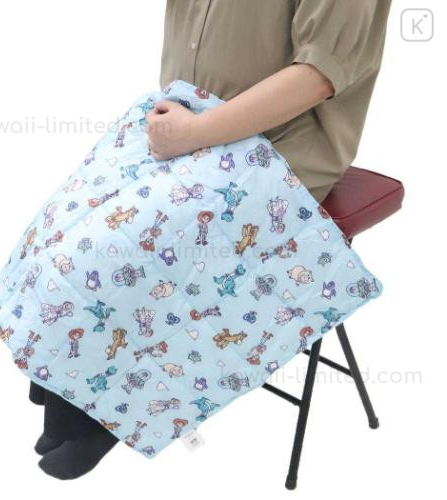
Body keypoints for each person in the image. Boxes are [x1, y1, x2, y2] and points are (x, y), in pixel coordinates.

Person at [33, 0, 392, 479]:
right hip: (187, 120)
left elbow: (317, 75)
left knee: (119, 249)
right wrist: (184, 127)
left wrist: (197, 132)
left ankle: (106, 413)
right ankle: (62, 380)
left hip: (277, 147)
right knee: (66, 222)